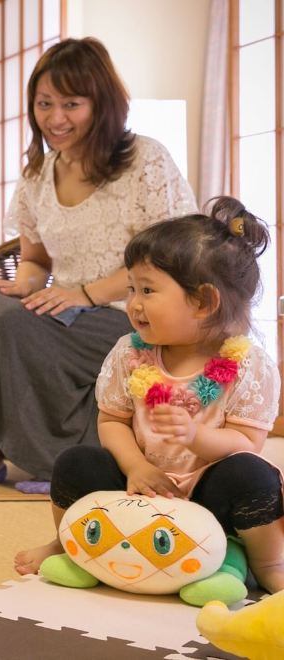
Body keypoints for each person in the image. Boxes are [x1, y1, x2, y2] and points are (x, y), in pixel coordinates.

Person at [0, 37, 197, 492]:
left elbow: (166, 257)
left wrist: (84, 295)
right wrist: (23, 286)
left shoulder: (145, 160)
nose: (55, 118)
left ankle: (55, 463)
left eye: (71, 104)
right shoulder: (38, 174)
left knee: (18, 327)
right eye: (45, 104)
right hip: (70, 310)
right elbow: (35, 259)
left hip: (134, 315)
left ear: (101, 104)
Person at [15, 197, 284, 595]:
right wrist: (136, 466)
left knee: (253, 476)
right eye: (131, 289)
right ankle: (69, 543)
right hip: (136, 490)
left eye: (147, 290)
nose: (133, 304)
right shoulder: (130, 352)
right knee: (76, 462)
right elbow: (112, 421)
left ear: (204, 302)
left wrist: (196, 436)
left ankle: (269, 564)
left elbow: (247, 443)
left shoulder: (247, 363)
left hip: (208, 498)